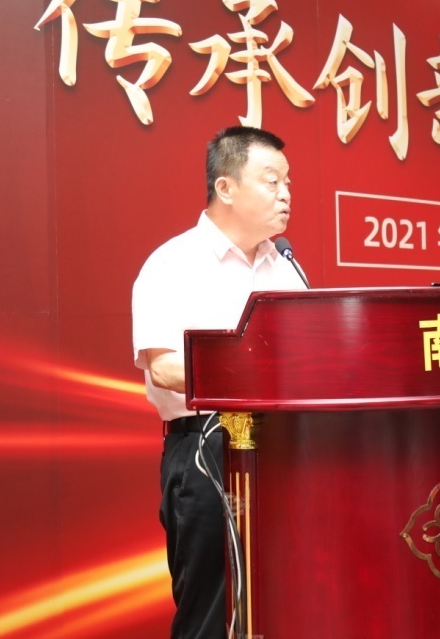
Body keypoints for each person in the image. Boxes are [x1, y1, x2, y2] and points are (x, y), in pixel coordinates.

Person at [131, 126, 306, 639]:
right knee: (211, 610)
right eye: (271, 181)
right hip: (206, 452)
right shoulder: (173, 263)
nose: (285, 193)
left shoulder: (285, 268)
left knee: (285, 601)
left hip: (284, 453)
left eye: (288, 182)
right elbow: (164, 367)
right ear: (226, 187)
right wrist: (254, 372)